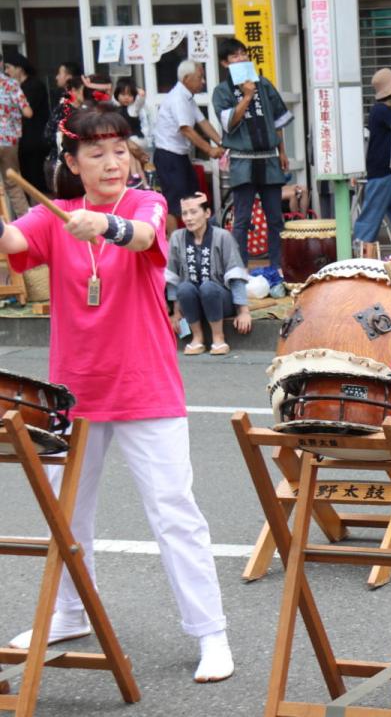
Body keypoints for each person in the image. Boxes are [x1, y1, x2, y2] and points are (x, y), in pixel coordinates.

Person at [0, 103, 233, 683]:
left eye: (120, 149)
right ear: (73, 162)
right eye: (96, 152)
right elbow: (10, 242)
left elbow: (147, 236)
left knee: (174, 511)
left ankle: (211, 633)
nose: (112, 162)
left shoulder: (142, 202)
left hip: (144, 387)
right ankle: (71, 611)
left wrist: (104, 226)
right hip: (72, 395)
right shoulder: (55, 216)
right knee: (66, 515)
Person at [212, 38, 292, 271]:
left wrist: (282, 151)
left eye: (243, 54)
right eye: (234, 56)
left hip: (268, 157)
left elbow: (278, 120)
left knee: (275, 218)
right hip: (243, 160)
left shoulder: (264, 85)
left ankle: (278, 266)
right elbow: (229, 123)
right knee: (242, 219)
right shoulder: (222, 91)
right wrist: (246, 97)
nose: (241, 58)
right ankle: (239, 269)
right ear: (225, 63)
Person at [167, 192, 252, 355]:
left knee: (208, 288)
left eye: (193, 212)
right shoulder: (177, 237)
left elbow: (236, 275)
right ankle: (197, 338)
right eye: (185, 213)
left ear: (207, 213)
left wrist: (243, 312)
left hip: (220, 299)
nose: (188, 218)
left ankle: (218, 338)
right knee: (184, 288)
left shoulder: (223, 236)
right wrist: (176, 313)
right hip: (192, 301)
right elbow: (172, 277)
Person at [152, 60, 223, 234]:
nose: (203, 82)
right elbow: (186, 130)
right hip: (169, 155)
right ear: (186, 78)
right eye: (200, 77)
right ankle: (172, 245)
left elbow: (203, 122)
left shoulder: (188, 97)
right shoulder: (178, 98)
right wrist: (209, 149)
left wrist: (221, 143)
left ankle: (195, 240)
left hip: (180, 155)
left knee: (192, 197)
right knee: (174, 201)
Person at [354, 67, 391, 259]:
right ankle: (359, 253)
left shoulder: (383, 110)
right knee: (372, 214)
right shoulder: (381, 111)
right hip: (381, 171)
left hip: (388, 171)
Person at [3, 52, 51, 194]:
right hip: (21, 140)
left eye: (8, 67)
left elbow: (27, 113)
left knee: (35, 181)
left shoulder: (34, 86)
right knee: (24, 181)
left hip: (34, 140)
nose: (6, 72)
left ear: (20, 68)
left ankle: (42, 211)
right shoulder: (16, 87)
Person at [0, 63, 32, 217]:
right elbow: (28, 112)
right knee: (13, 184)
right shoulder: (11, 84)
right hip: (9, 140)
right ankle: (26, 223)